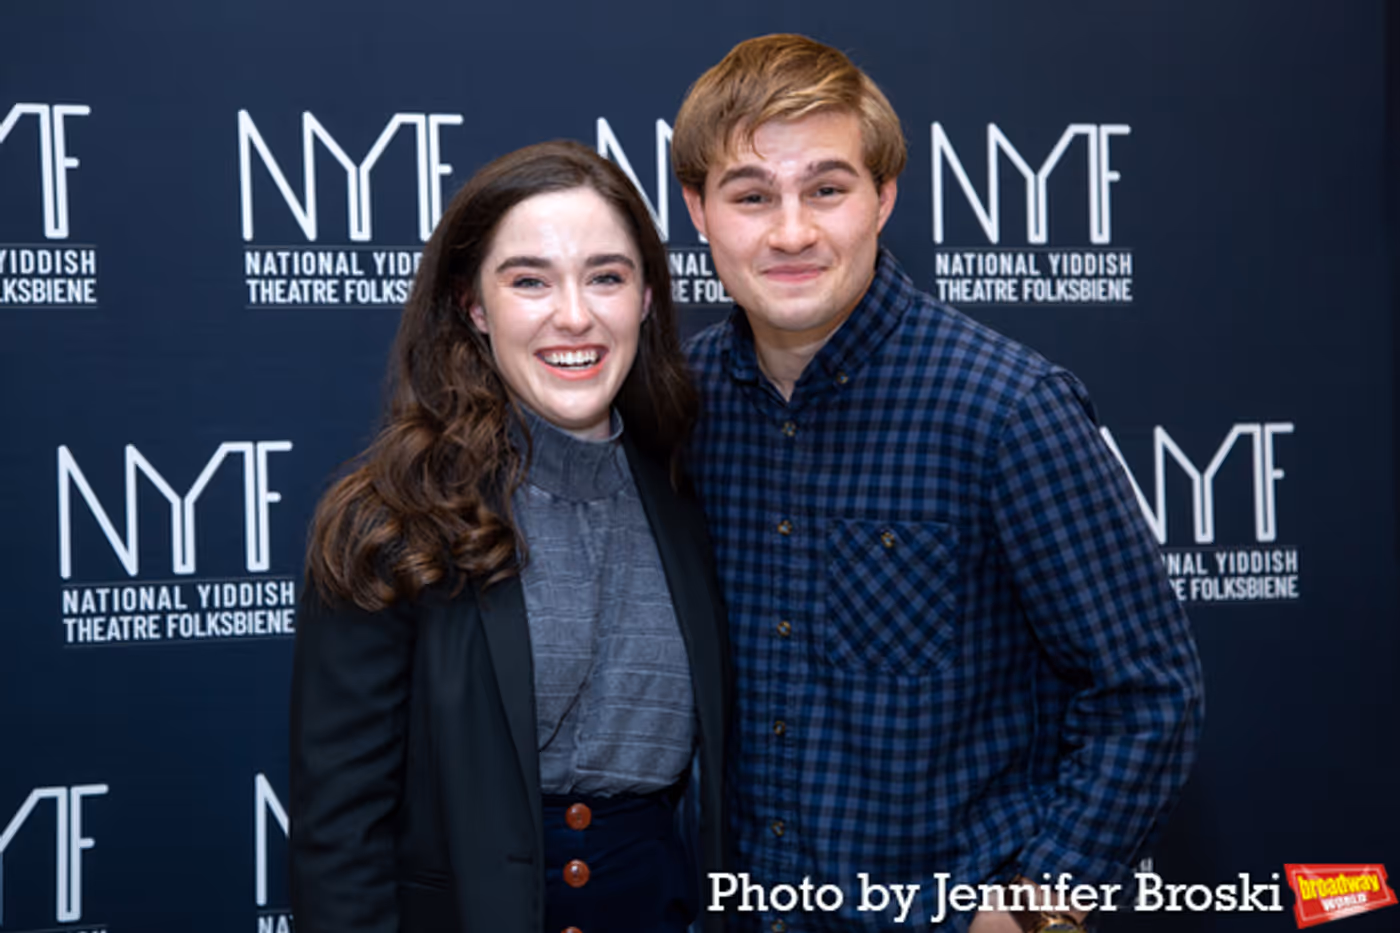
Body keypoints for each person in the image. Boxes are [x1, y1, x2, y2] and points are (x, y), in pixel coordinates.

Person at [673, 35, 1204, 933]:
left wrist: (1038, 910)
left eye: (827, 189)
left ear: (883, 197)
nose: (791, 230)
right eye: (752, 195)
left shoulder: (1005, 409)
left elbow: (1149, 691)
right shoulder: (679, 410)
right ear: (698, 210)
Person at [289, 140, 729, 933]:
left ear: (647, 300)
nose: (575, 314)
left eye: (607, 276)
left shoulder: (691, 494)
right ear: (474, 306)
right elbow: (339, 837)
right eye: (530, 280)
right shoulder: (391, 518)